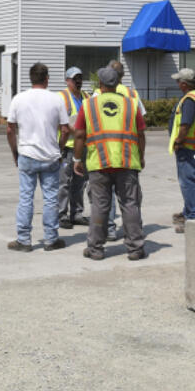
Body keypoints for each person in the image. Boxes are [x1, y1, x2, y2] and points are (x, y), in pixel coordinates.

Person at [72, 66, 148, 261]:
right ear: (118, 83)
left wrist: (77, 159)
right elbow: (140, 134)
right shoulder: (131, 105)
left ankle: (96, 249)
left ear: (100, 84)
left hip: (99, 162)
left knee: (99, 206)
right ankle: (135, 248)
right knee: (130, 204)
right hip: (127, 161)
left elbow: (80, 134)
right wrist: (141, 156)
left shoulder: (88, 105)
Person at [6, 62, 71, 252]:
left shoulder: (19, 99)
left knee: (26, 197)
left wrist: (14, 151)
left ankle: (24, 240)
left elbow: (10, 129)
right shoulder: (57, 99)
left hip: (27, 153)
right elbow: (65, 129)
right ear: (47, 78)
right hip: (50, 156)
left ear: (31, 78)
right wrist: (59, 148)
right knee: (51, 198)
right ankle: (51, 239)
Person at [98, 59, 146, 241]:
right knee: (130, 201)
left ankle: (109, 230)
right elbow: (141, 128)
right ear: (122, 76)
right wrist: (141, 156)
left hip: (102, 155)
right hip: (128, 155)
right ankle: (133, 233)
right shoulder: (132, 95)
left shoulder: (97, 94)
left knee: (103, 200)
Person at [168, 68, 195, 233]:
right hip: (193, 147)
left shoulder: (189, 100)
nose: (177, 83)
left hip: (187, 148)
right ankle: (188, 211)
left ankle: (191, 218)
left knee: (188, 183)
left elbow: (185, 124)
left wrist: (178, 140)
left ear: (184, 84)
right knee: (193, 181)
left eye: (178, 81)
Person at [56, 67, 89, 229]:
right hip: (68, 147)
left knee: (80, 182)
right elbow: (58, 121)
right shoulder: (61, 97)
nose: (78, 81)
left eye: (80, 78)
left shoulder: (87, 97)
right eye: (75, 78)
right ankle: (62, 214)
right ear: (67, 80)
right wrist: (75, 133)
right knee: (64, 182)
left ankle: (76, 213)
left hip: (83, 147)